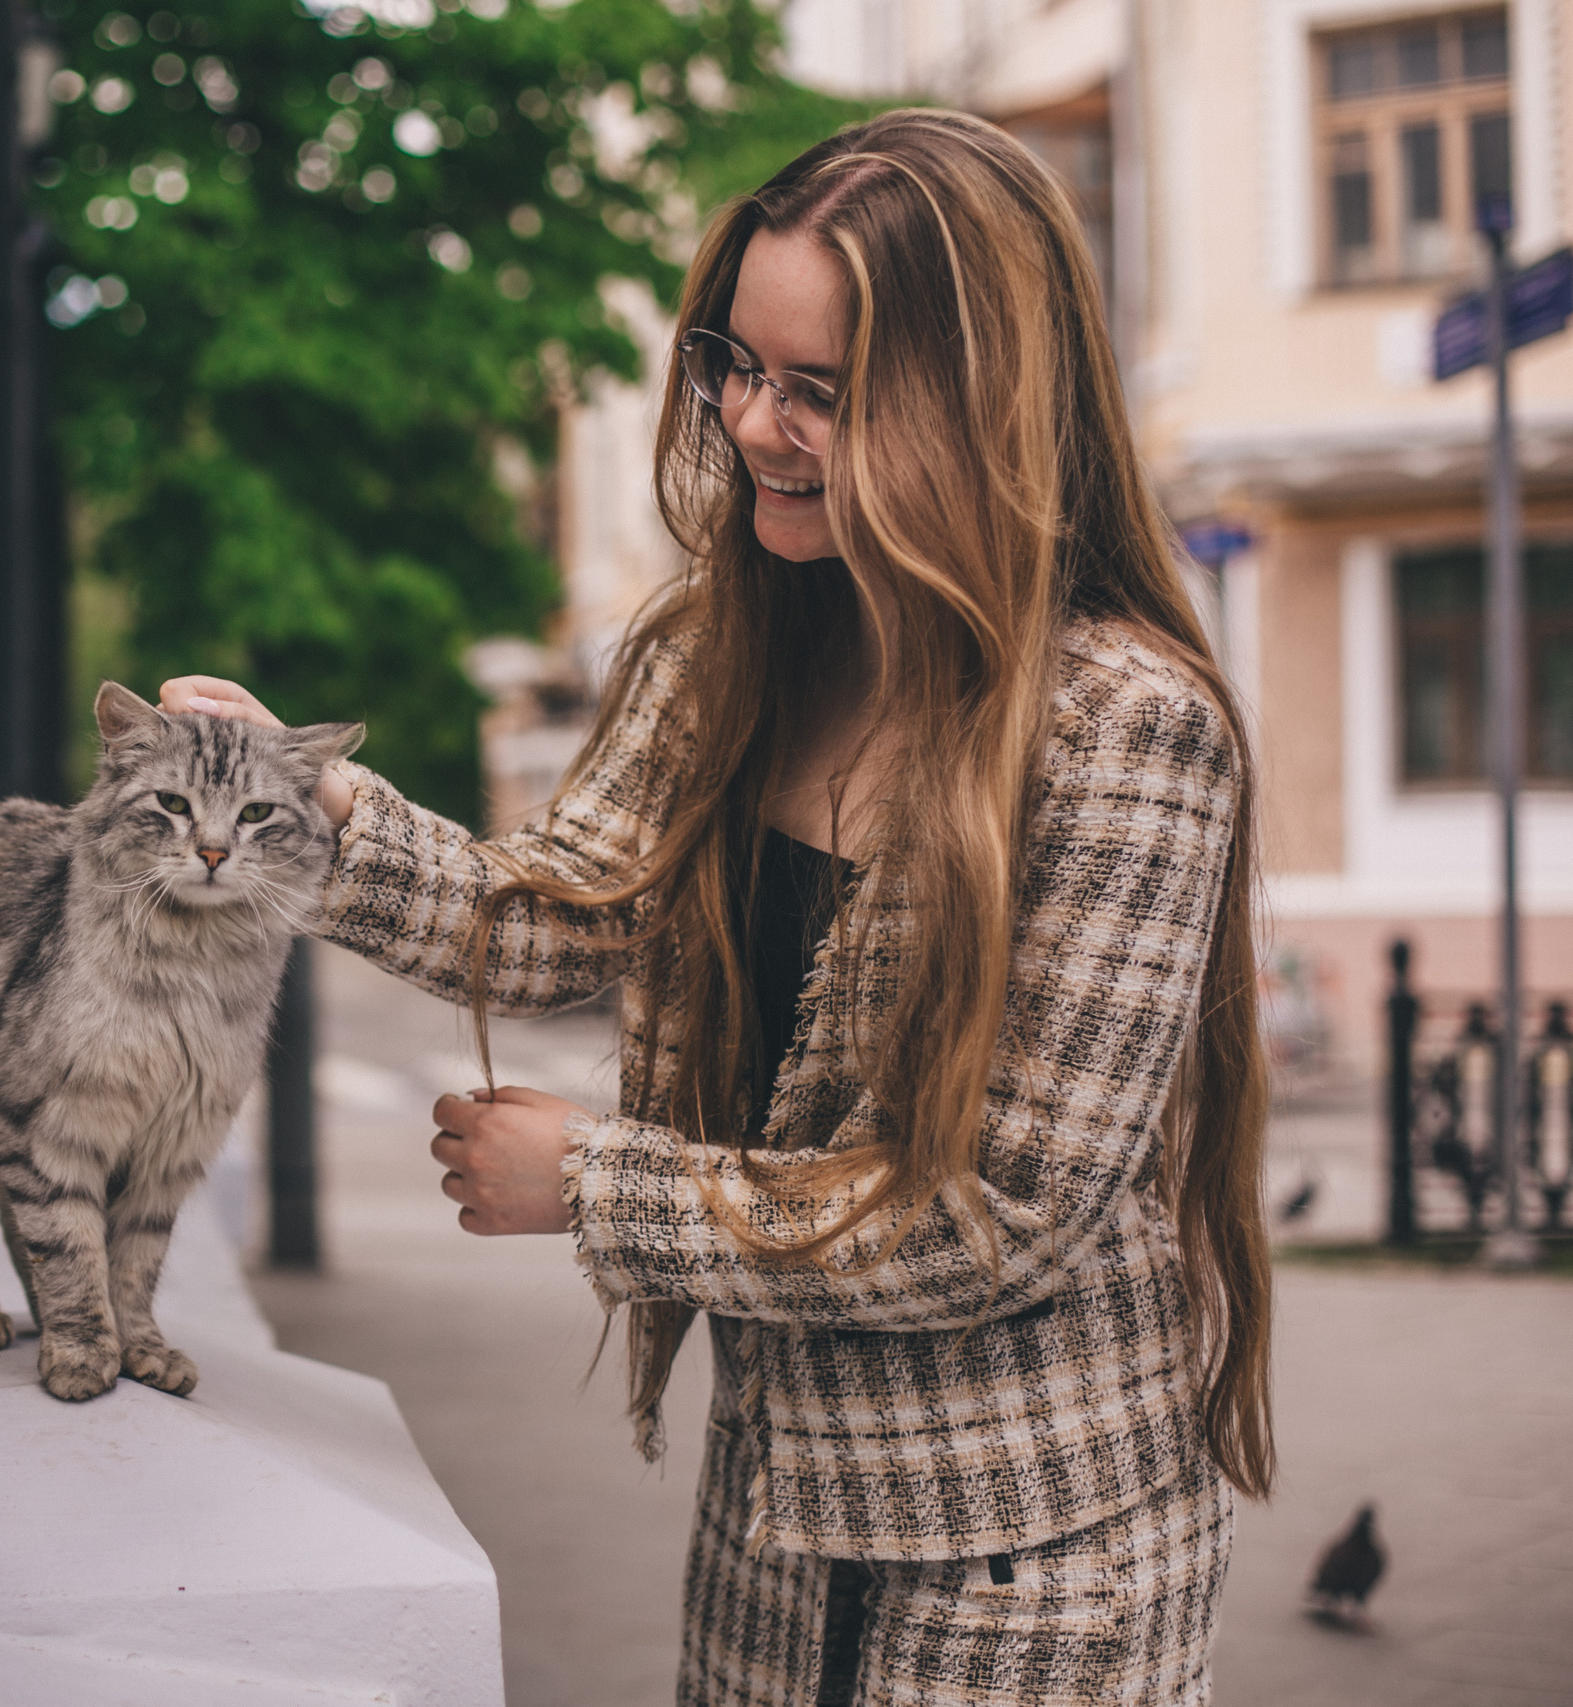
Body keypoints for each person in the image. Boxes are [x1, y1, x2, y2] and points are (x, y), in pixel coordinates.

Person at [160, 107, 1272, 1707]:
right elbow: (551, 921)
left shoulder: (1124, 729)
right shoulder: (727, 643)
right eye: (731, 363)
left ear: (979, 401)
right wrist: (303, 809)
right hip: (772, 1519)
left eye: (819, 390)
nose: (753, 421)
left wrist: (600, 1188)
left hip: (1036, 1563)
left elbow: (999, 1214)